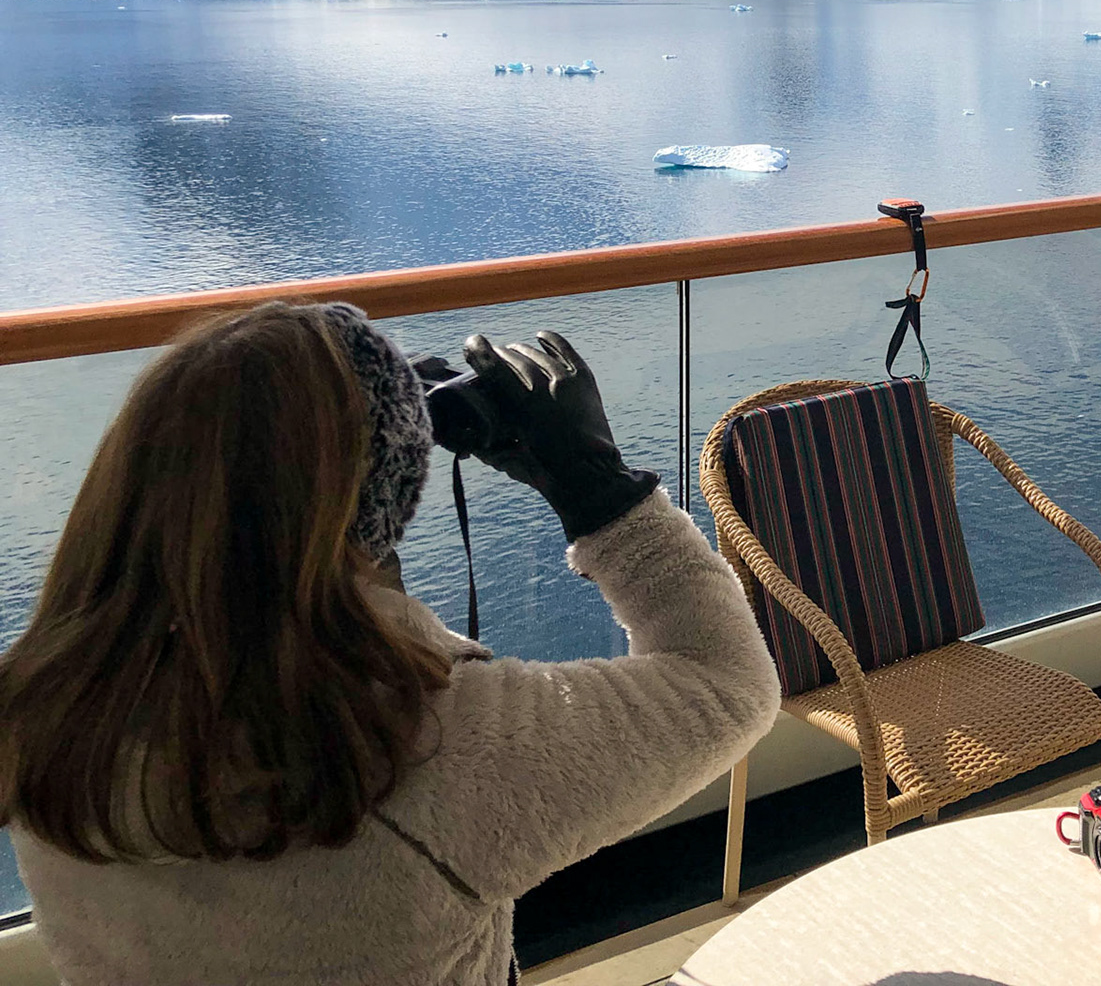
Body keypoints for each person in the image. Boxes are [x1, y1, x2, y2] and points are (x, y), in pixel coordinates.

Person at [0, 301, 779, 984]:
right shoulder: (425, 743)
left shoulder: (42, 710)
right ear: (377, 505)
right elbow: (727, 685)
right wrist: (598, 486)